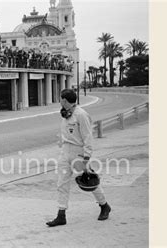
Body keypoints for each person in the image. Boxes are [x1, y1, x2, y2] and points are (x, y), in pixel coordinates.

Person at [46, 89, 111, 227]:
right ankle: (61, 215)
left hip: (78, 154)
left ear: (64, 100)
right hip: (65, 152)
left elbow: (88, 136)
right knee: (62, 183)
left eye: (60, 99)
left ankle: (104, 205)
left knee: (88, 181)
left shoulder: (81, 115)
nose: (59, 101)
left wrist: (87, 156)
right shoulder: (65, 114)